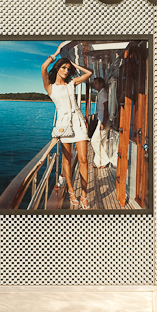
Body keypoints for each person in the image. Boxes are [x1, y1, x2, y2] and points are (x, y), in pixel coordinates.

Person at [41, 45, 93, 209]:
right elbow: (43, 67)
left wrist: (73, 63)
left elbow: (89, 73)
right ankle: (71, 191)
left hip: (77, 123)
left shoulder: (72, 83)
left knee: (83, 159)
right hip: (63, 126)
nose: (65, 70)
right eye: (63, 67)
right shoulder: (50, 87)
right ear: (57, 68)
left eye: (68, 69)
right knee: (67, 159)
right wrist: (55, 55)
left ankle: (84, 195)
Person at [90, 77, 112, 169]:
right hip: (101, 119)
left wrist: (103, 122)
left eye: (95, 83)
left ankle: (105, 160)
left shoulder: (102, 93)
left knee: (94, 141)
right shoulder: (100, 93)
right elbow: (102, 109)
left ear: (101, 84)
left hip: (103, 121)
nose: (94, 85)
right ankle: (98, 163)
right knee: (101, 142)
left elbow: (106, 108)